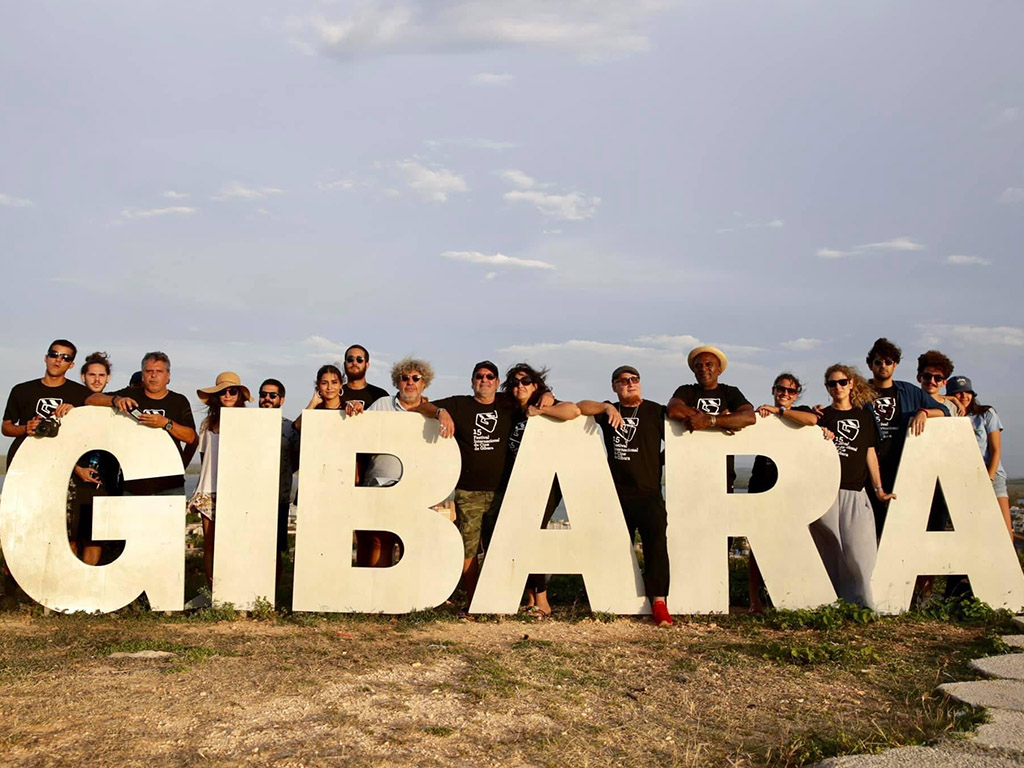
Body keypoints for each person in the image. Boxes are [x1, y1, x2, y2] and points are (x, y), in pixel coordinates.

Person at [416, 361, 521, 612]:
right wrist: (441, 412)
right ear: (472, 381)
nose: (484, 380)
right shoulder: (459, 404)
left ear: (496, 382)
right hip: (468, 491)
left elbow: (538, 400)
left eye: (489, 377)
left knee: (502, 546)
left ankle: (502, 598)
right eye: (479, 376)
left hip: (503, 491)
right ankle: (475, 601)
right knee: (469, 548)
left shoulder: (508, 405)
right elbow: (422, 406)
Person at [578, 365, 673, 626]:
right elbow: (580, 406)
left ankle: (659, 602)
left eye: (634, 379)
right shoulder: (609, 409)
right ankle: (619, 597)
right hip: (617, 494)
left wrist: (658, 460)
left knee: (656, 544)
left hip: (649, 492)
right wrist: (607, 408)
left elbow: (679, 441)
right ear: (614, 386)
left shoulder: (655, 411)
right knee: (618, 546)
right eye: (623, 381)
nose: (630, 384)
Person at [809, 364, 895, 608]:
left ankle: (863, 603)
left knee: (859, 551)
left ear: (851, 384)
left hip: (856, 491)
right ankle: (831, 601)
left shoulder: (864, 416)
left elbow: (870, 454)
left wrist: (878, 489)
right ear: (827, 387)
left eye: (842, 382)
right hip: (826, 492)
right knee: (830, 550)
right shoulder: (821, 416)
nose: (838, 387)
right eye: (832, 383)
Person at [500, 363, 580, 617]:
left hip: (547, 482)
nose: (519, 387)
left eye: (525, 382)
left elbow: (573, 411)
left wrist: (546, 405)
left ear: (536, 385)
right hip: (519, 482)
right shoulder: (511, 411)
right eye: (514, 383)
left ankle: (542, 600)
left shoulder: (546, 406)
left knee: (531, 536)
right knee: (522, 536)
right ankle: (531, 597)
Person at [749, 373, 832, 612]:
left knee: (789, 543)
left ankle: (786, 596)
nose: (785, 394)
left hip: (791, 490)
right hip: (761, 485)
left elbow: (812, 420)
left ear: (797, 395)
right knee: (757, 546)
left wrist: (780, 412)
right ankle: (755, 600)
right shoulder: (762, 414)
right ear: (773, 390)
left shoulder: (799, 411)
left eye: (791, 391)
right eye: (781, 389)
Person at [352, 357, 437, 567]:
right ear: (396, 382)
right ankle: (373, 591)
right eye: (404, 378)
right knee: (378, 540)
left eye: (416, 378)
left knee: (410, 542)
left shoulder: (431, 413)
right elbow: (358, 432)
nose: (410, 382)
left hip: (414, 488)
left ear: (423, 383)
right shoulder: (382, 405)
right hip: (379, 483)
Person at [863, 338, 948, 539]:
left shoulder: (908, 391)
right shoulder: (859, 393)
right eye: (878, 362)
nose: (883, 366)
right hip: (870, 468)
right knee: (872, 530)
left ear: (896, 364)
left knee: (901, 528)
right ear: (870, 365)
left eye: (888, 362)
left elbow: (944, 410)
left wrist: (924, 411)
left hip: (902, 466)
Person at [85, 351, 198, 496]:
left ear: (168, 376)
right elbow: (91, 399)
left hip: (170, 484)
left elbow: (191, 437)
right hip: (133, 483)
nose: (153, 375)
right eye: (149, 371)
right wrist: (115, 400)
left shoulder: (179, 401)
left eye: (159, 371)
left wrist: (165, 423)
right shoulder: (130, 394)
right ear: (143, 375)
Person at [190, 372, 251, 590]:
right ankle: (213, 589)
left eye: (232, 390)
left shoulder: (248, 423)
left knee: (234, 542)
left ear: (239, 395)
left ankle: (233, 589)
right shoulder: (207, 424)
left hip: (235, 490)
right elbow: (204, 458)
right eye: (222, 391)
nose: (227, 394)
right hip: (209, 488)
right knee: (210, 544)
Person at [667, 345, 755, 491]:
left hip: (723, 470)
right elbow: (673, 409)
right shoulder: (686, 391)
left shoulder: (730, 392)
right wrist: (725, 421)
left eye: (709, 364)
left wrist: (709, 421)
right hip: (690, 468)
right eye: (698, 366)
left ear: (719, 370)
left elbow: (749, 416)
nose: (703, 369)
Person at [68, 352, 123, 566]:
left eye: (102, 375)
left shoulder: (115, 405)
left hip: (105, 482)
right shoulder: (72, 402)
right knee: (70, 536)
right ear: (83, 377)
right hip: (72, 482)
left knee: (95, 538)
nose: (97, 379)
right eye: (92, 374)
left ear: (108, 378)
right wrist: (76, 468)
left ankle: (85, 589)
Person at [2, 339, 90, 468]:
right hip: (23, 458)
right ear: (46, 358)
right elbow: (5, 427)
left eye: (65, 357)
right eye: (54, 354)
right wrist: (26, 428)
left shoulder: (81, 393)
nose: (58, 360)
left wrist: (75, 413)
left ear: (71, 364)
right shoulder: (21, 390)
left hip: (60, 461)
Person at [946, 376, 1012, 538]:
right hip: (965, 478)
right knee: (974, 532)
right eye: (958, 394)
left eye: (967, 393)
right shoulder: (949, 418)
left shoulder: (986, 413)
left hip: (991, 475)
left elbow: (996, 450)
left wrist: (988, 478)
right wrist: (953, 401)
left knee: (1004, 529)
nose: (963, 397)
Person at [258, 378, 300, 586]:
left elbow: (297, 459)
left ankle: (271, 593)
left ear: (281, 400)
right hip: (251, 498)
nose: (267, 399)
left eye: (272, 395)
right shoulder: (247, 424)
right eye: (263, 394)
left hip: (278, 497)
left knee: (275, 549)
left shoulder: (289, 429)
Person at [338, 345, 389, 411]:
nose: (354, 363)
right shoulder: (335, 393)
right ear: (345, 364)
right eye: (350, 359)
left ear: (367, 365)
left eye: (359, 360)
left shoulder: (380, 396)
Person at [294, 364, 344, 430]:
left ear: (340, 385)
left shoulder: (347, 407)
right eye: (324, 383)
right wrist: (313, 403)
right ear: (318, 386)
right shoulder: (314, 410)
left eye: (334, 382)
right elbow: (297, 426)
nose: (329, 387)